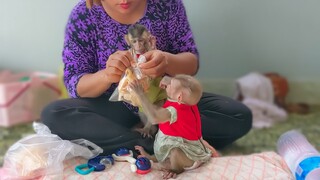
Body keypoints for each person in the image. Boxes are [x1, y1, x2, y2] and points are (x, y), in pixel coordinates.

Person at [41, 0, 252, 156]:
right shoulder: (84, 15)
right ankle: (155, 144)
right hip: (111, 107)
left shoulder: (167, 5)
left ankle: (143, 139)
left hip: (165, 105)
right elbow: (75, 84)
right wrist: (106, 75)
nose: (123, 0)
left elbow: (191, 62)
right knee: (54, 114)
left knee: (238, 116)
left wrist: (167, 61)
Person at [130, 75, 218, 179]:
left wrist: (140, 94)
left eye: (171, 84)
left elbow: (154, 117)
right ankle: (153, 158)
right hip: (182, 142)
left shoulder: (174, 111)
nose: (168, 83)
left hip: (187, 155)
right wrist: (170, 82)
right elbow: (184, 85)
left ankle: (175, 169)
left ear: (179, 97)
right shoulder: (188, 102)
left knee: (175, 151)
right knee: (168, 148)